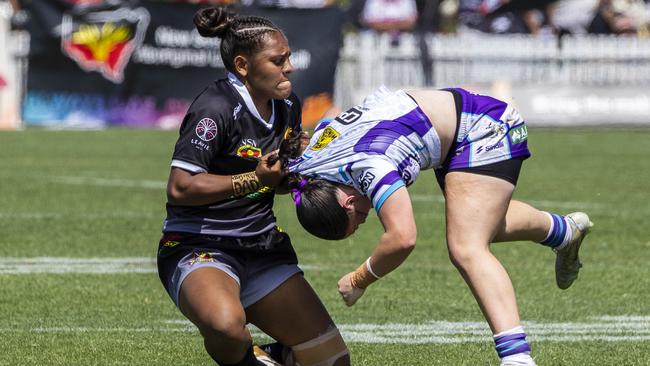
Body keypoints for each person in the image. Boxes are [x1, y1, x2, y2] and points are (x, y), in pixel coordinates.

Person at [281, 86, 593, 366]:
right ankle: (564, 233)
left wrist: (360, 278)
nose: (366, 217)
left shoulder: (369, 167)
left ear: (347, 203)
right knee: (483, 226)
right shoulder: (308, 163)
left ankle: (517, 358)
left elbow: (402, 238)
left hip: (484, 127)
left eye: (358, 221)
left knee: (466, 247)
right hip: (456, 123)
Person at [156, 7, 350, 366]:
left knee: (332, 361)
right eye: (278, 60)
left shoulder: (288, 104)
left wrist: (301, 178)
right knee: (228, 326)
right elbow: (181, 187)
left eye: (288, 57)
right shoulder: (214, 108)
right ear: (243, 66)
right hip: (200, 246)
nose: (288, 67)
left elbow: (275, 182)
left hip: (262, 247)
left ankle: (272, 356)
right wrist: (254, 179)